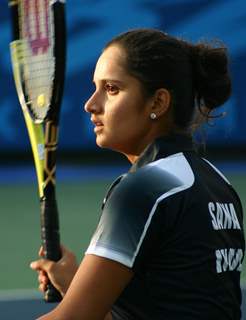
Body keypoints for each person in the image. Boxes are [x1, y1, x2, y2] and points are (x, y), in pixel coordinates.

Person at [30, 28, 245, 320]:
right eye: (96, 87)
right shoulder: (219, 185)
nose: (90, 104)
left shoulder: (143, 189)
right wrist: (74, 285)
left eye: (111, 89)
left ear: (157, 102)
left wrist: (78, 305)